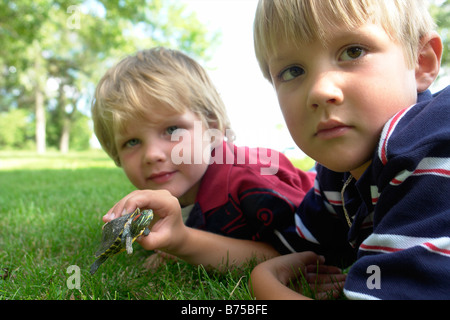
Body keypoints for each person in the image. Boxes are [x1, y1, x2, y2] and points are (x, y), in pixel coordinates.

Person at [249, 0, 450, 299]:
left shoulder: (428, 145)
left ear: (422, 62)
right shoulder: (337, 177)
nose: (320, 90)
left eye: (353, 51)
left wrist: (263, 284)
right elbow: (296, 252)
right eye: (292, 71)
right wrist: (182, 239)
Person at [91, 47, 324, 272]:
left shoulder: (251, 179)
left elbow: (303, 255)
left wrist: (183, 243)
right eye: (132, 142)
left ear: (211, 128)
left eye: (172, 130)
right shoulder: (178, 187)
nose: (152, 154)